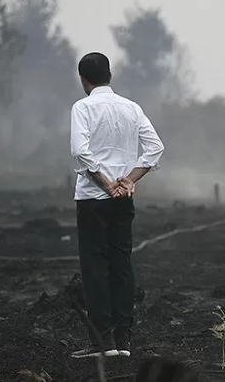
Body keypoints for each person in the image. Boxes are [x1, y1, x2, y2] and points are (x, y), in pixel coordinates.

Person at [70, 52, 164, 359]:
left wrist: (106, 183)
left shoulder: (82, 108)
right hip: (124, 200)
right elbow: (155, 148)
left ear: (84, 79)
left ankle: (103, 341)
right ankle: (123, 341)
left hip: (92, 200)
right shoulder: (131, 108)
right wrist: (129, 180)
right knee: (122, 265)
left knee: (95, 266)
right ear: (110, 75)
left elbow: (81, 153)